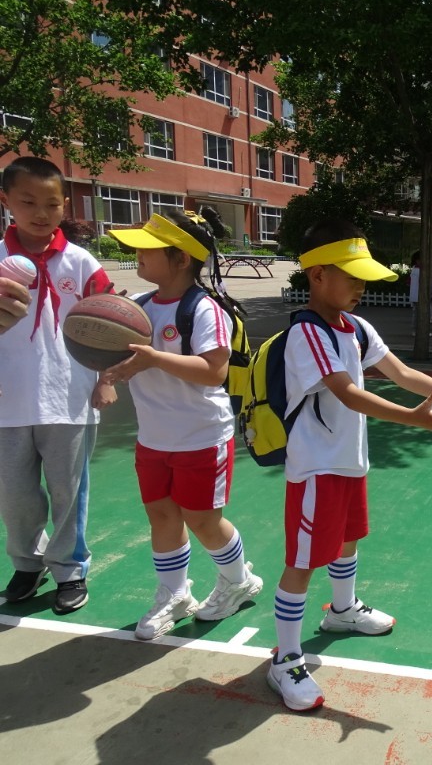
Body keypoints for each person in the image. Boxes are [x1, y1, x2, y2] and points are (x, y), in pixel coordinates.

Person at [267, 218, 432, 711]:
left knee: (349, 539)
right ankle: (284, 659)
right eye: (351, 275)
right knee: (303, 562)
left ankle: (343, 610)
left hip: (349, 461)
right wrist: (413, 419)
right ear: (317, 274)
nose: (360, 284)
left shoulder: (356, 326)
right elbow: (348, 394)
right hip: (315, 467)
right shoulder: (307, 333)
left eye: (362, 275)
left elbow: (402, 371)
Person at [104, 211, 263, 640]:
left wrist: (155, 357)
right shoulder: (136, 306)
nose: (136, 252)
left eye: (147, 248)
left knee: (203, 520)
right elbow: (116, 355)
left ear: (180, 259)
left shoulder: (205, 309)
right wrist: (108, 373)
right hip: (154, 437)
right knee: (161, 515)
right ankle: (174, 593)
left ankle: (238, 580)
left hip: (201, 435)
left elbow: (213, 371)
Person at [0, 156, 116, 614]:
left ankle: (69, 569)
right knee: (15, 495)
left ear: (63, 204)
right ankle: (28, 564)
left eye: (51, 203)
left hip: (70, 398)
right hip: (8, 401)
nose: (40, 212)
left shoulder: (81, 261)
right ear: (6, 201)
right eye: (28, 201)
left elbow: (110, 328)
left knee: (69, 491)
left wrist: (106, 379)